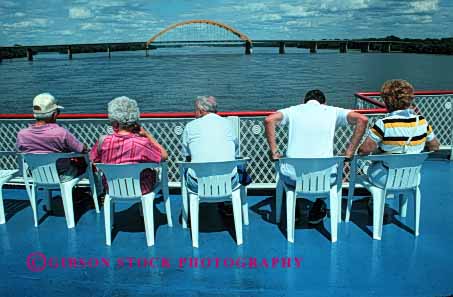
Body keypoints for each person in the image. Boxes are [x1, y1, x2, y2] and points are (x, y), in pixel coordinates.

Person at [264, 89, 369, 224]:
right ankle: (319, 205)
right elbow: (363, 119)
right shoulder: (333, 111)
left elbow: (269, 120)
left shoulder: (293, 110)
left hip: (294, 178)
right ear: (324, 103)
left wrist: (274, 152)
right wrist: (349, 152)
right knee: (334, 169)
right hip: (325, 179)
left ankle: (294, 206)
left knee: (285, 171)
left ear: (304, 102)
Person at [358, 79, 440, 188]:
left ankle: (375, 201)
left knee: (362, 165)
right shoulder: (421, 121)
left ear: (387, 101)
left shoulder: (384, 124)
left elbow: (364, 150)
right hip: (412, 177)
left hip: (386, 179)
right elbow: (435, 146)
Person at [181, 96, 249, 214]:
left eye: (195, 110)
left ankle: (188, 213)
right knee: (230, 165)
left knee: (189, 168)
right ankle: (228, 203)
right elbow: (236, 148)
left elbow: (187, 155)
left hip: (198, 183)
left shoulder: (190, 126)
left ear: (202, 111)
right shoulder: (228, 124)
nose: (194, 114)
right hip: (228, 182)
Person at [90, 96, 168, 194]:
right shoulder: (141, 143)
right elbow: (164, 156)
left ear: (114, 122)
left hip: (112, 188)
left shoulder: (103, 141)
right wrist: (147, 135)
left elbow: (93, 159)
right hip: (139, 189)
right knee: (153, 171)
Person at [16, 92, 87, 182]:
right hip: (62, 175)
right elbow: (81, 149)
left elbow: (20, 152)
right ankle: (98, 193)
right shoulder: (61, 133)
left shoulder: (22, 134)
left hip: (35, 175)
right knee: (87, 164)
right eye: (58, 112)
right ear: (54, 115)